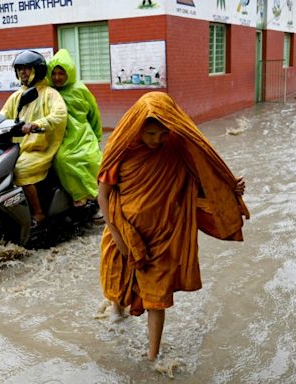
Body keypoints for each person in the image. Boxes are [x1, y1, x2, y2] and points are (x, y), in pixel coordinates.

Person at [97, 91, 249, 361]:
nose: (157, 140)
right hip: (124, 231)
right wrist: (117, 234)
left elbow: (201, 179)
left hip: (163, 235)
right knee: (118, 287)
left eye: (162, 134)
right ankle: (117, 317)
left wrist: (229, 188)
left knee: (156, 296)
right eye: (151, 134)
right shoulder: (121, 149)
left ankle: (152, 356)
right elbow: (104, 193)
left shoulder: (177, 147)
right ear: (137, 127)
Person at [0, 50, 67, 225]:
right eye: (20, 69)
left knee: (20, 170)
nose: (23, 72)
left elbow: (60, 116)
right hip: (19, 149)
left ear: (37, 70)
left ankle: (38, 213)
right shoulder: (16, 96)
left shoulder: (49, 94)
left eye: (27, 68)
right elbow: (2, 116)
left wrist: (37, 124)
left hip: (41, 148)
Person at [47, 49, 103, 211]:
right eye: (54, 73)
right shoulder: (49, 91)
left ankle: (97, 197)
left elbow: (94, 113)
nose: (57, 77)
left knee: (92, 159)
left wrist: (96, 137)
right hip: (60, 135)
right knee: (63, 159)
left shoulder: (80, 89)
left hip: (81, 133)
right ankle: (79, 195)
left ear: (69, 73)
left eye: (61, 73)